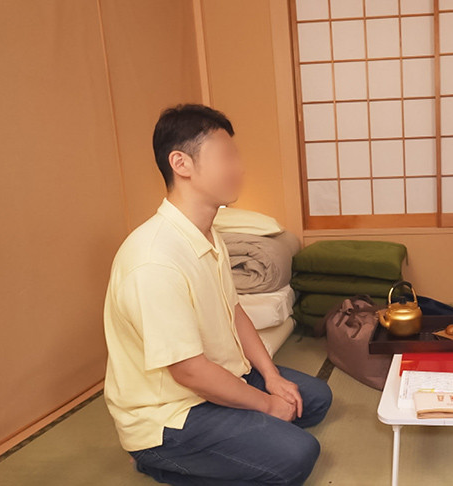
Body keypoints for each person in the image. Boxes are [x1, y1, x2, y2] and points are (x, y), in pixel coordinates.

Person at [103, 104, 331, 485]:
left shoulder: (209, 235)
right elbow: (188, 370)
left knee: (316, 399)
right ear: (181, 163)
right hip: (172, 412)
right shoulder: (154, 259)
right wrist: (266, 405)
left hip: (221, 378)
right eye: (226, 156)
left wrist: (271, 376)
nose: (239, 167)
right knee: (298, 455)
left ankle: (239, 424)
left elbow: (234, 311)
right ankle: (154, 459)